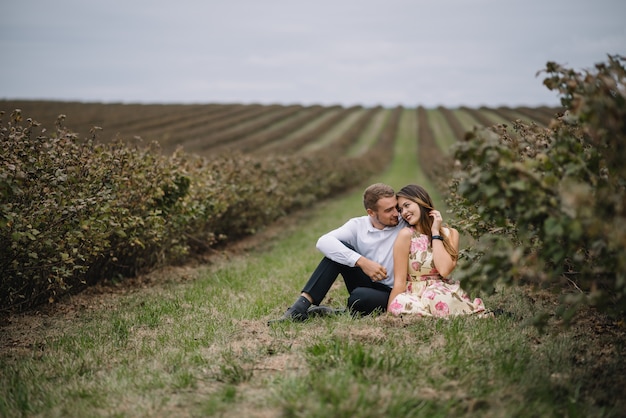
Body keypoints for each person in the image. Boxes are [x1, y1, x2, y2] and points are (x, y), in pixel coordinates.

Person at [270, 183, 408, 323]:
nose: (396, 213)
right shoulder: (358, 226)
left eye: (396, 207)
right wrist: (362, 262)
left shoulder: (404, 222)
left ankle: (337, 312)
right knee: (336, 252)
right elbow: (323, 241)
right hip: (366, 281)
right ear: (371, 212)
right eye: (388, 210)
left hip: (392, 291)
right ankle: (298, 309)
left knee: (360, 297)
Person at [387, 184, 488, 317]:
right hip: (414, 294)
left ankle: (432, 314)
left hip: (441, 292)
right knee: (401, 304)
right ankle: (430, 314)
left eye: (407, 205)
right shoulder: (406, 235)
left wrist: (435, 233)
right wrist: (389, 311)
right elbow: (399, 282)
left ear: (421, 201)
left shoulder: (451, 234)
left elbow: (444, 270)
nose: (404, 212)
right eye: (400, 210)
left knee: (438, 298)